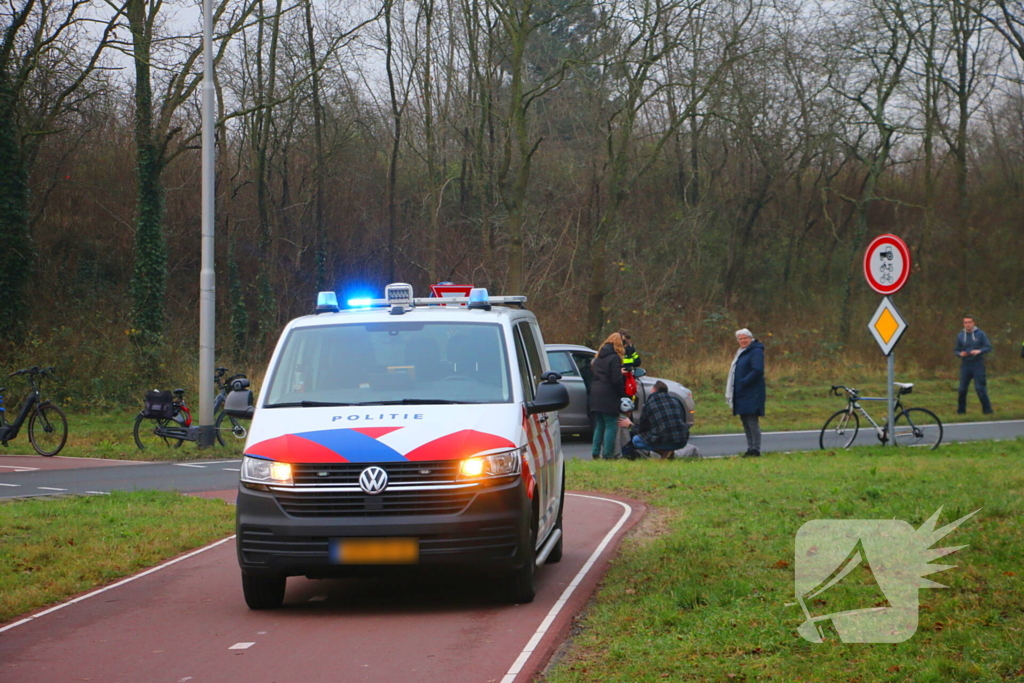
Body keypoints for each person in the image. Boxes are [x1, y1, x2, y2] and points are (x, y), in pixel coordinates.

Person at [618, 381, 690, 459]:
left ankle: (663, 452)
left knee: (636, 440)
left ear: (654, 390)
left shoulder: (649, 404)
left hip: (664, 440)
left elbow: (642, 429)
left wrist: (630, 425)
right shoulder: (675, 401)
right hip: (682, 441)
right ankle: (669, 452)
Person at [726, 328, 765, 457]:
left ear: (751, 338)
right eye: (740, 339)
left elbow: (757, 370)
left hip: (752, 393)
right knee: (745, 422)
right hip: (741, 393)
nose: (742, 341)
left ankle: (756, 449)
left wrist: (743, 382)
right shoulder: (741, 352)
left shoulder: (756, 351)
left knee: (752, 422)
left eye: (745, 338)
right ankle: (750, 448)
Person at [590, 332, 626, 459]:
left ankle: (595, 452)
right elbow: (616, 379)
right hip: (608, 393)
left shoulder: (598, 357)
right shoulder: (615, 358)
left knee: (600, 424)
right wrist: (622, 393)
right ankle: (608, 454)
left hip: (595, 392)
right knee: (611, 424)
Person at [955, 316, 993, 415]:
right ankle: (961, 412)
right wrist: (960, 354)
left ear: (973, 323)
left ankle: (988, 411)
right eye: (965, 322)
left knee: (980, 388)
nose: (968, 324)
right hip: (965, 364)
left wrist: (979, 351)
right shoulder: (960, 335)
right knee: (962, 389)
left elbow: (988, 347)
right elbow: (956, 349)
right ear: (963, 324)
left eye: (969, 322)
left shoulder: (980, 334)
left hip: (978, 364)